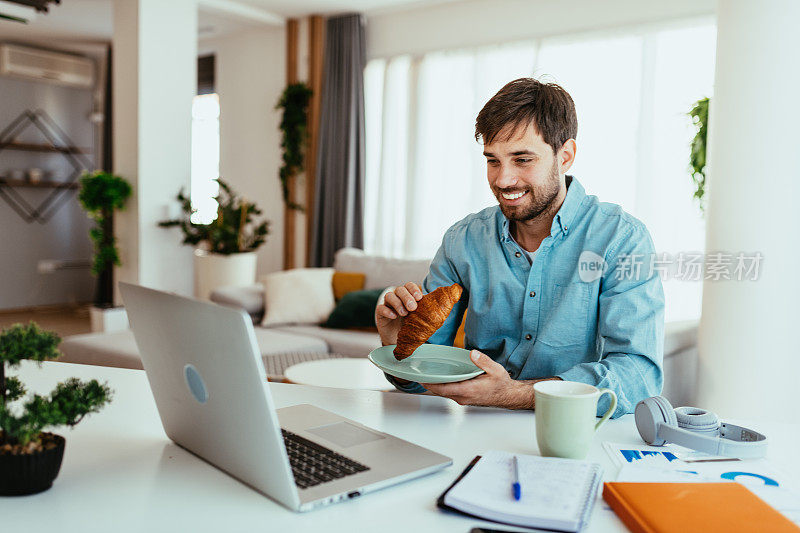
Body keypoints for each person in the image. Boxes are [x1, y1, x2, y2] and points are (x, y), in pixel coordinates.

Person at [374, 78, 664, 418]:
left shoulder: (621, 239)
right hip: (475, 433)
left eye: (522, 159)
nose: (502, 180)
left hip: (575, 434)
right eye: (493, 160)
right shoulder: (463, 240)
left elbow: (638, 377)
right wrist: (398, 347)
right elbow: (426, 371)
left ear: (565, 155)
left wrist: (515, 394)